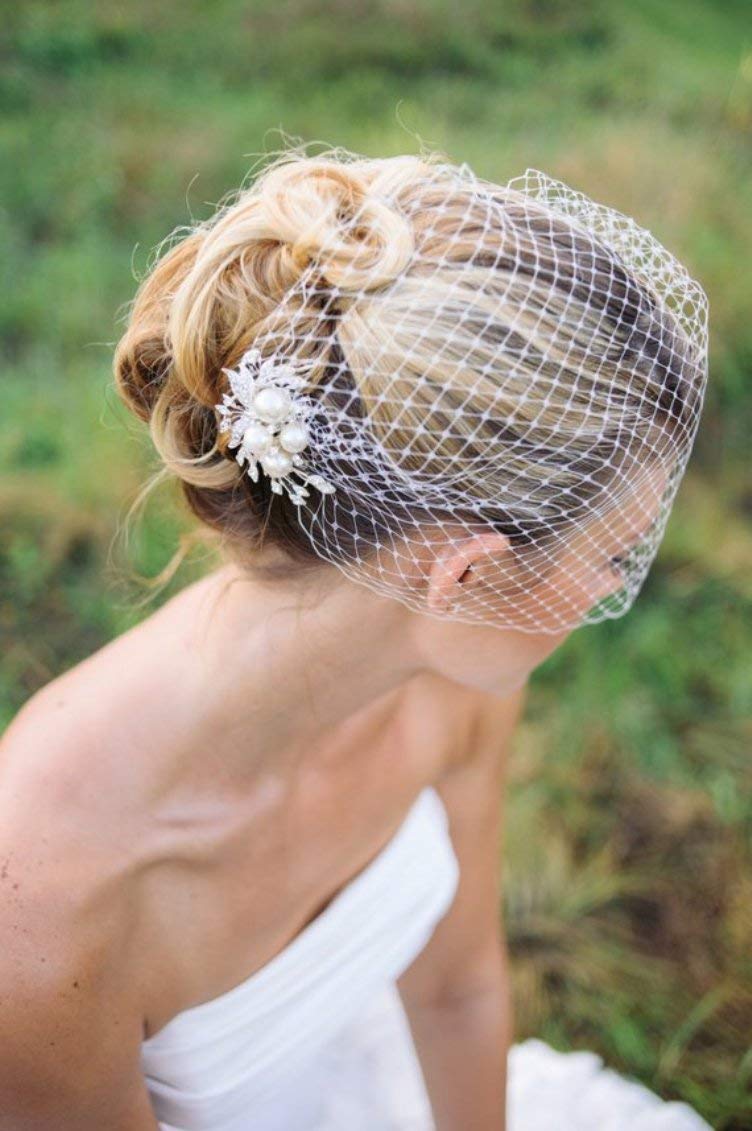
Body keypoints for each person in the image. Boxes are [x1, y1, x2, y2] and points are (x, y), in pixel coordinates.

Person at [0, 145, 712, 1130]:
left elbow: (456, 987)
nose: (611, 590)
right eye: (616, 552)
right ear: (460, 576)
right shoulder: (42, 913)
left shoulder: (451, 678)